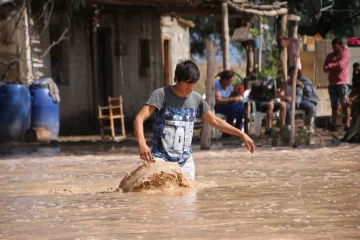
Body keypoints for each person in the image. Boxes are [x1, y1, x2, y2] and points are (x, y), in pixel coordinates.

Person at [133, 59, 255, 180]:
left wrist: (241, 134)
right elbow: (139, 119)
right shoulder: (161, 95)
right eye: (188, 83)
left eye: (194, 83)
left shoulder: (196, 99)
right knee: (161, 196)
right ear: (178, 79)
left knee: (188, 197)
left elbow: (215, 121)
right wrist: (142, 143)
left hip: (186, 162)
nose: (191, 87)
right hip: (161, 159)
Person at [323, 37, 351, 131]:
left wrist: (331, 65)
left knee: (345, 103)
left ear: (340, 45)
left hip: (342, 82)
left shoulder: (345, 53)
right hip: (332, 83)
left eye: (335, 46)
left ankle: (347, 123)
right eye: (333, 46)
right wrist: (333, 65)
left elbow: (341, 65)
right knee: (334, 105)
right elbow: (325, 68)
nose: (334, 48)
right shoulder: (330, 55)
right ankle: (334, 124)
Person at [286, 66, 319, 132]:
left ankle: (310, 127)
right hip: (295, 100)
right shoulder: (289, 81)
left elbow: (308, 92)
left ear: (298, 73)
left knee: (311, 107)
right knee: (287, 106)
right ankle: (288, 127)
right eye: (291, 74)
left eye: (294, 73)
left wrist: (301, 85)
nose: (292, 75)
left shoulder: (303, 80)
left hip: (308, 99)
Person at [214, 70, 245, 138]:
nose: (231, 83)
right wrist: (233, 99)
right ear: (225, 80)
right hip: (218, 106)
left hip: (228, 105)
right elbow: (218, 100)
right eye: (230, 81)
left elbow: (231, 96)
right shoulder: (217, 84)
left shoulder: (230, 86)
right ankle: (227, 132)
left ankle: (238, 130)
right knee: (232, 109)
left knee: (241, 108)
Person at [342, 62, 360, 142]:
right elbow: (355, 90)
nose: (356, 72)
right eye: (354, 70)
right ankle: (349, 137)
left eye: (358, 70)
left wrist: (351, 99)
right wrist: (348, 98)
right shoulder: (355, 77)